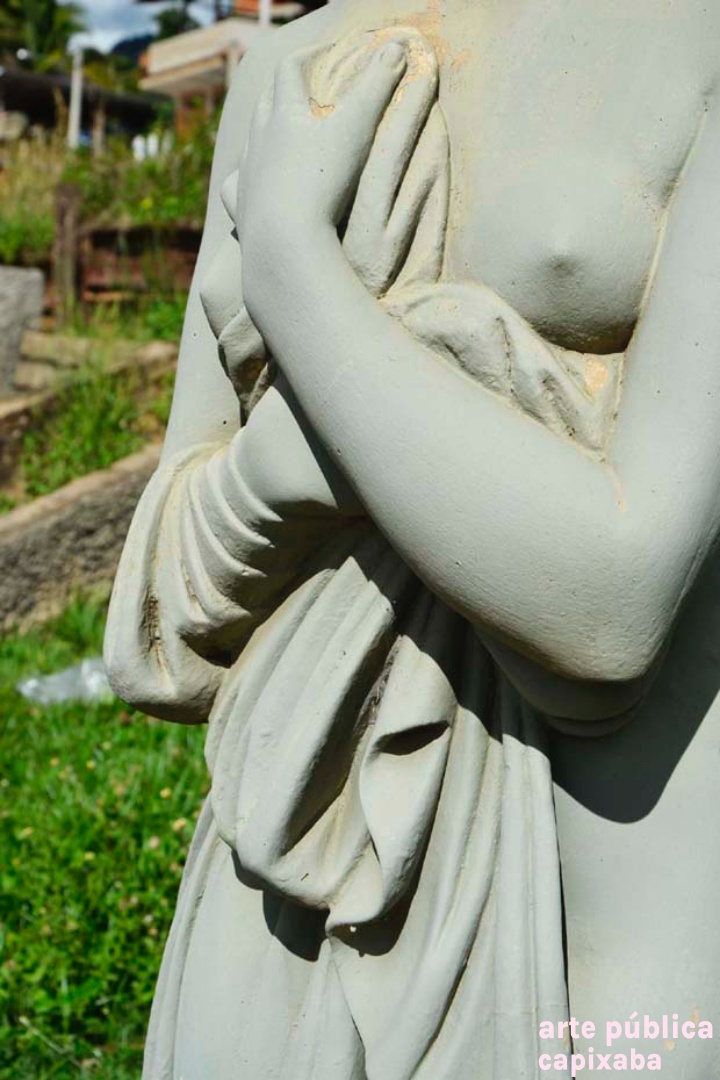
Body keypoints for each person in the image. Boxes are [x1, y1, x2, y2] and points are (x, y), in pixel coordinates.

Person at [105, 1, 720, 1076]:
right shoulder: (288, 67)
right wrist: (273, 472)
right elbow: (157, 627)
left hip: (601, 956)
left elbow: (615, 607)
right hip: (272, 904)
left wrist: (294, 273)